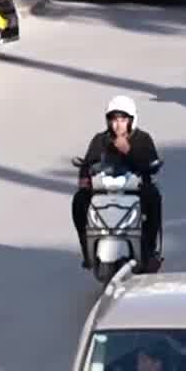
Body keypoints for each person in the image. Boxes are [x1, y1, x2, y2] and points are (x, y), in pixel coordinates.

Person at [72, 96, 164, 268]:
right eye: (113, 120)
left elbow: (150, 162)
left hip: (135, 188)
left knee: (153, 197)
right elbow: (88, 163)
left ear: (131, 120)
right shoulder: (100, 139)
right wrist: (85, 178)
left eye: (122, 119)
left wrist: (128, 150)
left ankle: (149, 251)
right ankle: (88, 250)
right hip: (104, 189)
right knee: (79, 200)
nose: (117, 124)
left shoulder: (142, 138)